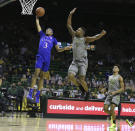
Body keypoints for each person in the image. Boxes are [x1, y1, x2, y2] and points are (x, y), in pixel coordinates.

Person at [27, 15, 72, 103]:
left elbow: (58, 49)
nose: (48, 30)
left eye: (50, 30)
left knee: (42, 77)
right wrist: (37, 19)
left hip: (47, 59)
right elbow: (38, 26)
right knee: (36, 74)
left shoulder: (54, 39)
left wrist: (65, 48)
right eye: (47, 29)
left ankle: (37, 95)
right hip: (40, 57)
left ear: (52, 33)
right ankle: (30, 92)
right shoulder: (42, 35)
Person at [67, 8, 106, 100]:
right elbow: (69, 25)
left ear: (82, 33)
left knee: (81, 79)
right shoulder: (74, 36)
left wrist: (101, 34)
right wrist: (70, 14)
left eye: (79, 30)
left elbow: (95, 37)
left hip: (83, 62)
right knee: (71, 76)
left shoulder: (85, 39)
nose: (76, 30)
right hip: (75, 61)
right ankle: (82, 89)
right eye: (77, 29)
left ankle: (87, 92)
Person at [104, 65, 124, 129]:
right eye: (114, 67)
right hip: (109, 95)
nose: (115, 68)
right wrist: (104, 89)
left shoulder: (120, 77)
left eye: (116, 67)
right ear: (112, 69)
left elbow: (122, 89)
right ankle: (113, 115)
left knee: (112, 107)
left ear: (118, 70)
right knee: (105, 109)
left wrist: (115, 92)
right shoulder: (109, 77)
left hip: (116, 95)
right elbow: (108, 86)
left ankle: (114, 123)